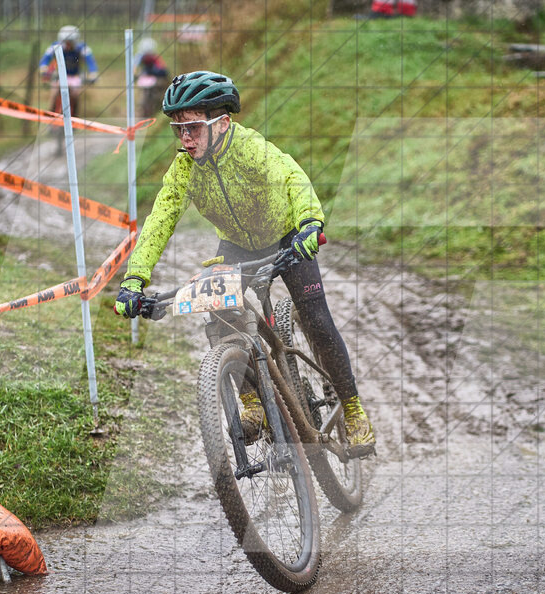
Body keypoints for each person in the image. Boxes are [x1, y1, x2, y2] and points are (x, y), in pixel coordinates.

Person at [114, 71, 376, 457]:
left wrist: (309, 222)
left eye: (193, 128)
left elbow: (293, 177)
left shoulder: (250, 149)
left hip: (288, 235)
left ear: (222, 124)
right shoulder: (185, 168)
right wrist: (134, 280)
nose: (185, 139)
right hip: (237, 246)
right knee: (222, 312)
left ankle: (353, 410)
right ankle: (253, 402)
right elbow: (160, 220)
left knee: (317, 320)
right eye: (178, 130)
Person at [38, 25, 99, 115]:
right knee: (54, 94)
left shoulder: (82, 48)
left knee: (76, 95)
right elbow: (45, 58)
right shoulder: (55, 46)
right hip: (59, 76)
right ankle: (50, 115)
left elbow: (91, 61)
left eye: (70, 42)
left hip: (75, 76)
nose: (68, 45)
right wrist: (43, 68)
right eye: (66, 42)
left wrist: (93, 73)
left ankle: (75, 116)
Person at [134, 37, 169, 119]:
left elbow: (163, 69)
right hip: (146, 80)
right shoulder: (140, 57)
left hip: (155, 79)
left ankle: (154, 110)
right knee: (144, 98)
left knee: (155, 96)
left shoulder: (155, 57)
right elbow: (135, 68)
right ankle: (144, 113)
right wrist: (137, 75)